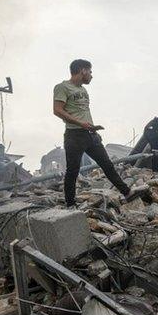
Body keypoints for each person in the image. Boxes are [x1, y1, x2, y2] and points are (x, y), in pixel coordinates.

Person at [52, 59, 133, 207]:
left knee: (107, 165)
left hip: (90, 134)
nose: (91, 75)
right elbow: (57, 110)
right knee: (73, 171)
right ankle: (70, 204)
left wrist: (92, 128)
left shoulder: (83, 90)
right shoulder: (62, 87)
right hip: (74, 136)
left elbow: (83, 112)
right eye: (90, 71)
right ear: (82, 70)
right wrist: (80, 123)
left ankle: (127, 193)